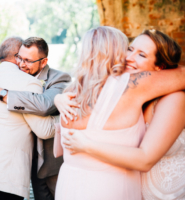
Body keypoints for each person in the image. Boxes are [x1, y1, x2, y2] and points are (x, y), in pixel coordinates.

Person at [51, 26, 185, 200]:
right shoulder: (117, 91)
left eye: (141, 54)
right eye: (129, 49)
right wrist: (58, 100)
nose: (128, 57)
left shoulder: (161, 95)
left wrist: (85, 143)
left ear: (161, 68)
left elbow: (58, 150)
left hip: (163, 193)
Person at [0, 37, 71, 200]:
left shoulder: (60, 78)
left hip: (51, 164)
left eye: (28, 60)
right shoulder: (15, 78)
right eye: (20, 58)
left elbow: (44, 105)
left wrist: (1, 93)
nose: (22, 64)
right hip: (22, 165)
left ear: (43, 62)